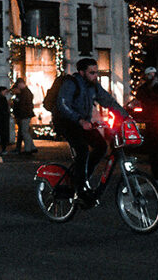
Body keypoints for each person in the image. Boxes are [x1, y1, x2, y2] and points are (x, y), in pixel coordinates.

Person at [53, 57, 129, 204]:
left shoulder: (93, 86)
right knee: (82, 150)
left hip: (84, 122)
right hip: (67, 122)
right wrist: (80, 120)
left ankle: (82, 177)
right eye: (92, 73)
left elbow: (108, 101)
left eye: (96, 72)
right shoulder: (71, 84)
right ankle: (80, 189)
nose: (96, 75)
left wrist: (126, 116)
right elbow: (63, 105)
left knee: (101, 146)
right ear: (82, 73)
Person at [11, 78, 36, 154]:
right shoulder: (25, 92)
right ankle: (32, 147)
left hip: (24, 115)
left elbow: (22, 105)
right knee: (25, 132)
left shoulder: (24, 93)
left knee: (24, 132)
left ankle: (28, 149)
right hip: (25, 114)